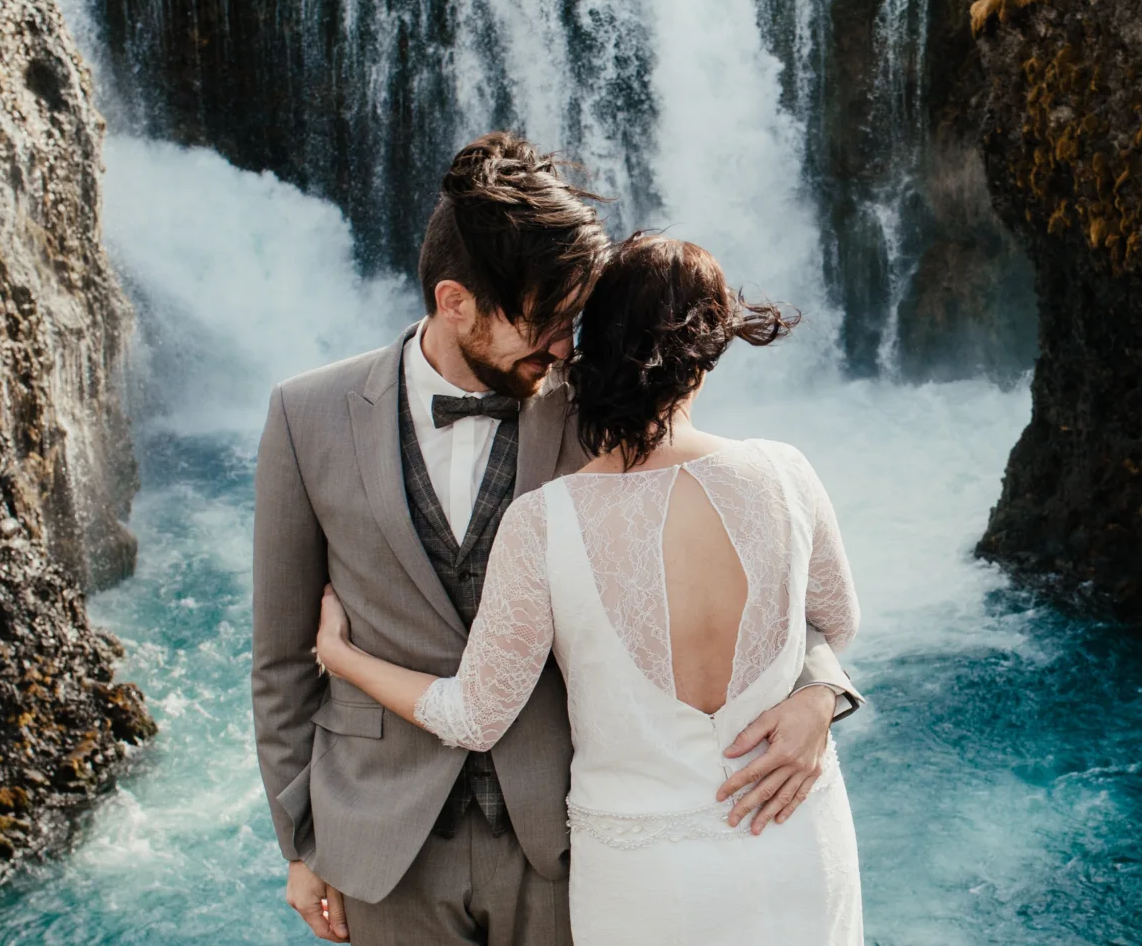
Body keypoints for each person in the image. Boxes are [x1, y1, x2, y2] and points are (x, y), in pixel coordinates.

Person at [252, 135, 862, 945]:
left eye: (574, 320)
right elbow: (282, 657)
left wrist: (821, 693)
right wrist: (299, 843)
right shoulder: (306, 416)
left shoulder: (605, 403)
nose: (563, 346)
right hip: (383, 845)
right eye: (544, 322)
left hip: (563, 845)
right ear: (455, 301)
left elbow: (749, 549)